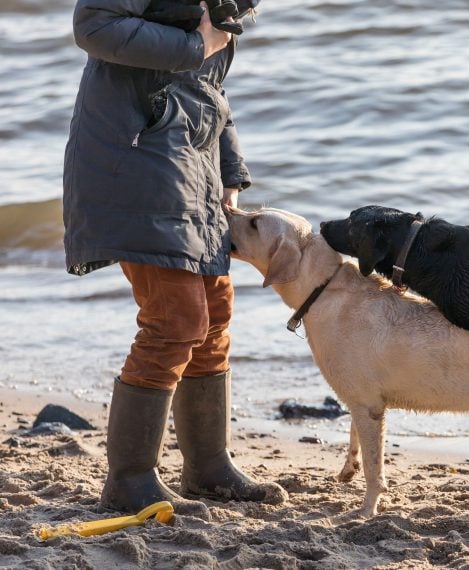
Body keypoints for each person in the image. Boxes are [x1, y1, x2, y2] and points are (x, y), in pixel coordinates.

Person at [63, 0, 286, 513]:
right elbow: (94, 24)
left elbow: (210, 92)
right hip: (136, 159)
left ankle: (208, 468)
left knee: (214, 316)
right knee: (175, 321)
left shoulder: (226, 7)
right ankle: (130, 479)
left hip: (192, 167)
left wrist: (231, 170)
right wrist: (195, 45)